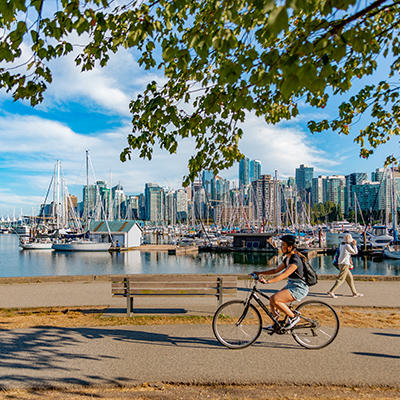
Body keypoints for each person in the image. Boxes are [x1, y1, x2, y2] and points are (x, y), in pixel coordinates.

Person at [253, 234, 309, 330]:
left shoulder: (295, 259)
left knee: (275, 299)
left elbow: (284, 275)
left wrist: (267, 281)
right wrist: (260, 272)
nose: (281, 247)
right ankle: (276, 325)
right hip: (292, 285)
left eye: (283, 245)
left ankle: (293, 317)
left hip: (299, 288)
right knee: (272, 300)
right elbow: (275, 270)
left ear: (290, 247)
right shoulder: (287, 258)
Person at [328, 233, 363, 298]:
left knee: (350, 278)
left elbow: (345, 254)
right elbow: (355, 252)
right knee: (340, 279)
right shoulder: (347, 246)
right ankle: (331, 291)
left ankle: (354, 293)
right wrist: (355, 245)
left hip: (341, 263)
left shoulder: (341, 245)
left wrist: (349, 259)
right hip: (344, 264)